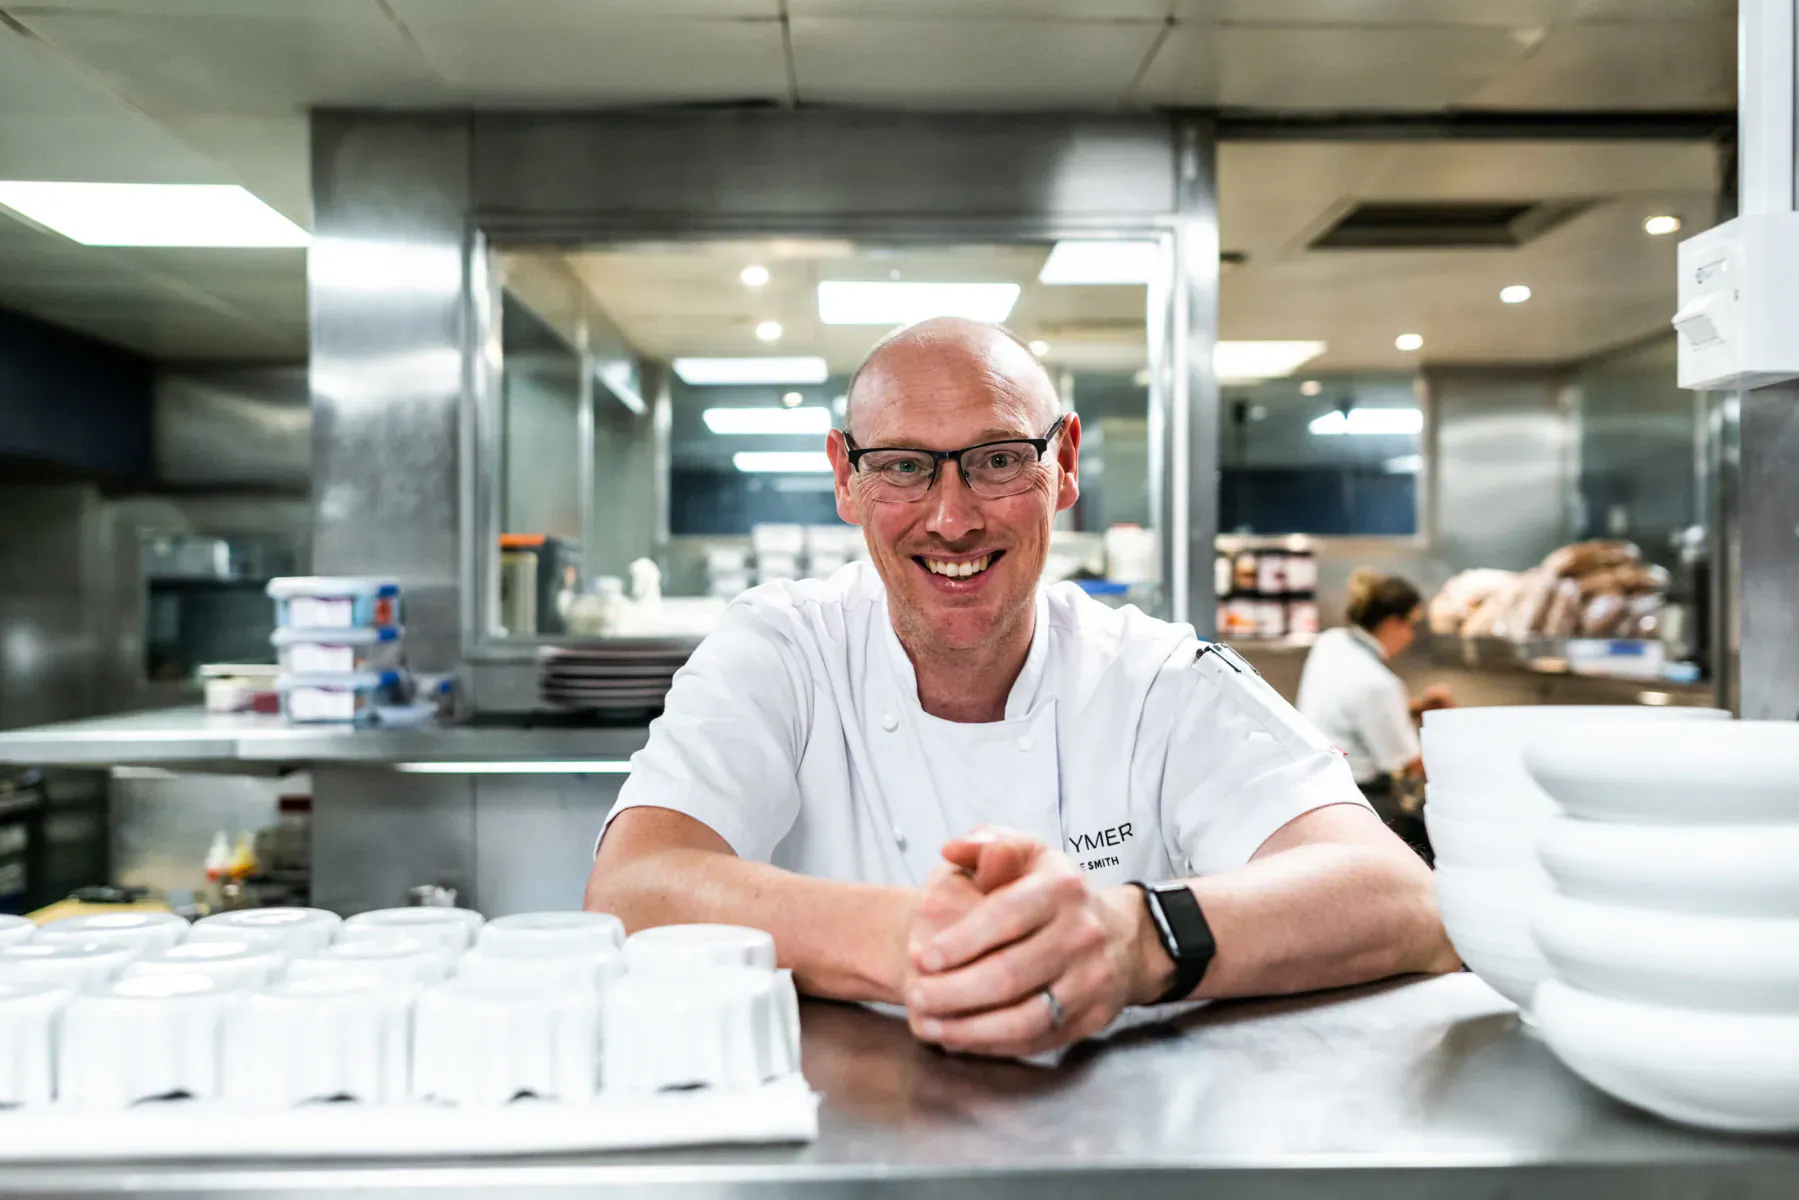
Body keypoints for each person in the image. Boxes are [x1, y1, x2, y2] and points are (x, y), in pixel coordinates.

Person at [586, 319, 1458, 1059]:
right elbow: (633, 888)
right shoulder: (782, 647)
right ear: (845, 477)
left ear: (1064, 463)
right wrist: (918, 942)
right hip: (842, 1138)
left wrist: (1134, 938)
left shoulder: (1152, 675)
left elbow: (1402, 899)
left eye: (998, 460)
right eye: (902, 467)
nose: (953, 516)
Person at [1295, 570, 1452, 860]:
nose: (1411, 635)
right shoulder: (1379, 685)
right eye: (1411, 624)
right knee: (1433, 852)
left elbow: (1349, 709)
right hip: (1363, 799)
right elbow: (1406, 764)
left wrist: (1417, 708)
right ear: (1393, 622)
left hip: (1317, 792)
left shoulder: (1332, 642)